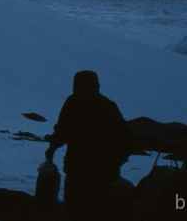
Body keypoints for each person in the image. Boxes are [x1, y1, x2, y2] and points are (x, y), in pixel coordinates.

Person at [44, 70, 132, 221]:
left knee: (76, 210)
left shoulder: (73, 102)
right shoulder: (107, 106)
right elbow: (125, 139)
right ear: (97, 85)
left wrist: (52, 149)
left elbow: (61, 131)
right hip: (102, 173)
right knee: (97, 211)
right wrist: (115, 165)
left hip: (78, 169)